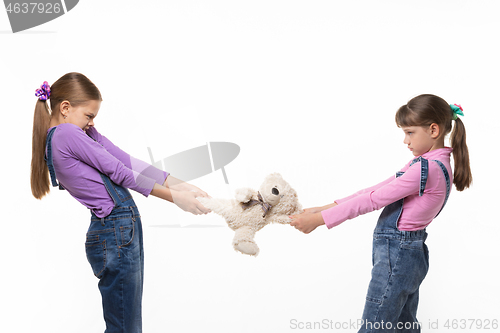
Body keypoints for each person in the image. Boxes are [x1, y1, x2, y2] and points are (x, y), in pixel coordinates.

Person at [30, 72, 210, 333]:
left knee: (125, 326)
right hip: (115, 231)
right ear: (65, 108)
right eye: (89, 116)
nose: (91, 123)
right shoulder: (66, 134)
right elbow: (120, 172)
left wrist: (179, 184)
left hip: (119, 230)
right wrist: (175, 199)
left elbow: (126, 160)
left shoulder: (78, 134)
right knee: (125, 328)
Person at [290, 94, 472, 332]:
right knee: (403, 325)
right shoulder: (429, 164)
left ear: (434, 130)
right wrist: (324, 208)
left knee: (376, 325)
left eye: (409, 132)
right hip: (409, 253)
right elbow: (374, 189)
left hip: (398, 253)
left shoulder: (426, 170)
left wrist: (319, 220)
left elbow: (374, 200)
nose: (405, 141)